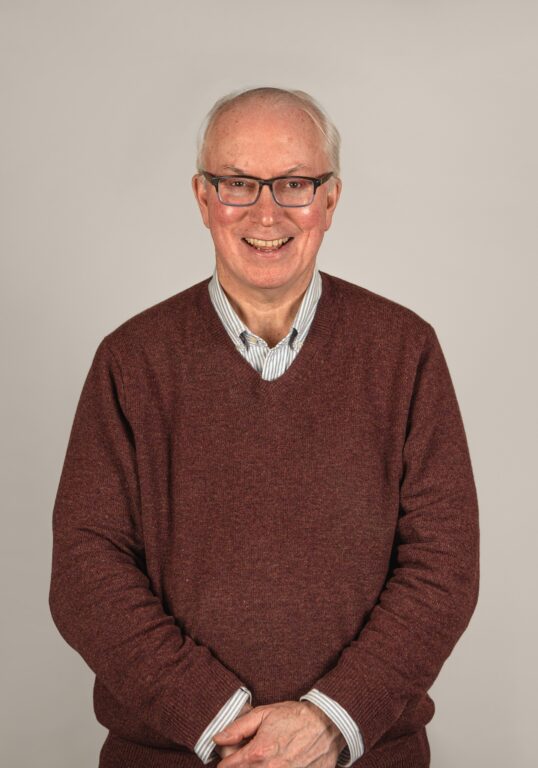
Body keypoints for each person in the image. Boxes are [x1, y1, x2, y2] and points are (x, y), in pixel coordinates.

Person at [49, 86, 480, 768]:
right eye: (238, 184)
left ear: (330, 200)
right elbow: (85, 575)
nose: (266, 211)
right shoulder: (131, 361)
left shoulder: (405, 351)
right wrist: (222, 723)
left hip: (364, 757)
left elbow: (443, 569)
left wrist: (330, 721)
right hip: (172, 757)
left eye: (295, 183)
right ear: (202, 198)